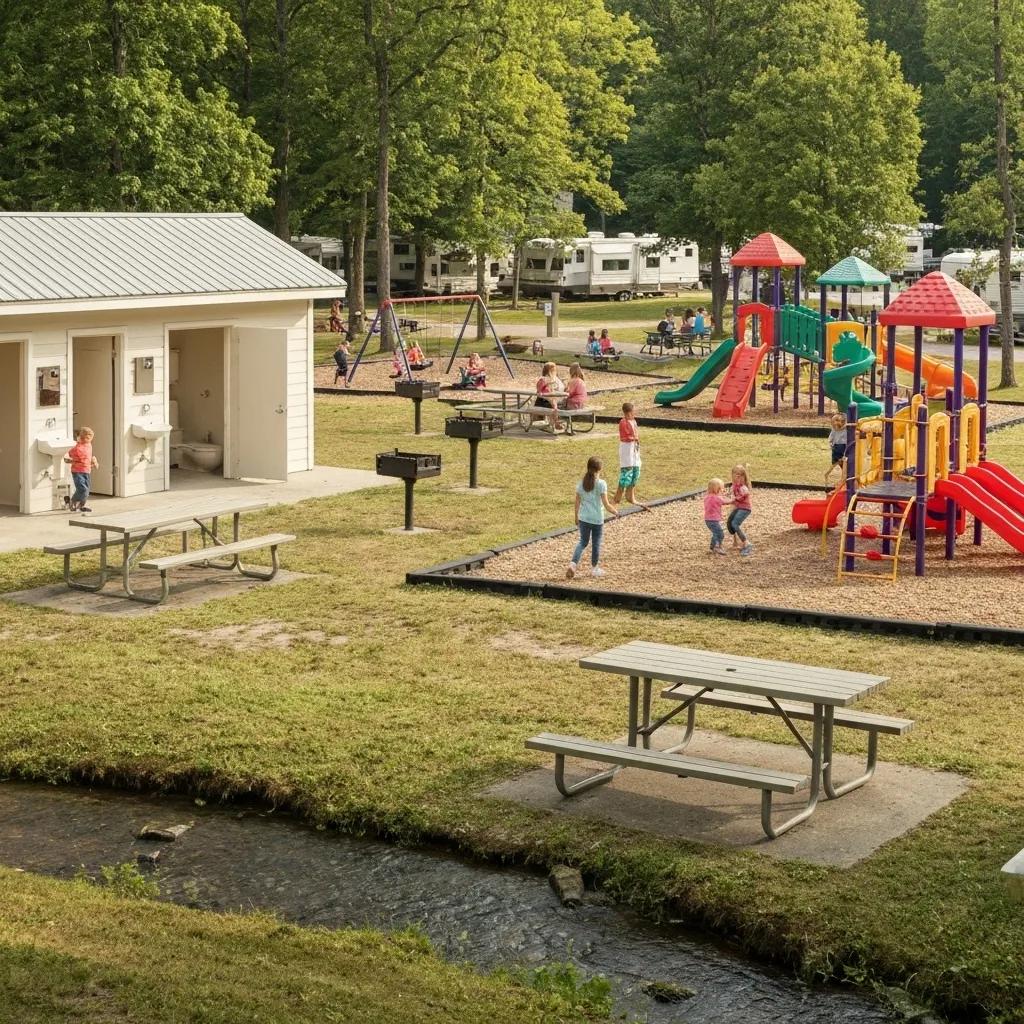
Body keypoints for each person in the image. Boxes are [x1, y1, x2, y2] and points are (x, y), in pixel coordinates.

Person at [567, 455, 619, 579]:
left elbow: (577, 502)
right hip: (597, 520)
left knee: (582, 542)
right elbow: (606, 504)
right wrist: (615, 512)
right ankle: (594, 569)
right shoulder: (601, 484)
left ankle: (573, 564)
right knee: (596, 543)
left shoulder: (581, 484)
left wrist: (576, 517)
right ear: (599, 469)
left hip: (583, 518)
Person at [613, 402, 648, 509]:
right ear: (626, 413)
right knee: (626, 473)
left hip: (634, 450)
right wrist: (634, 439)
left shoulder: (633, 421)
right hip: (627, 450)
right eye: (630, 413)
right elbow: (625, 437)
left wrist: (636, 441)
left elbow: (635, 434)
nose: (632, 415)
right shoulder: (623, 422)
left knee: (635, 471)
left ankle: (630, 496)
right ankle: (616, 499)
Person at [64, 426, 98, 513]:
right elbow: (67, 456)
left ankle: (81, 506)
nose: (88, 439)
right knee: (82, 489)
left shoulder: (89, 445)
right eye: (85, 438)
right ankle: (72, 501)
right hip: (77, 471)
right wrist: (68, 460)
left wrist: (94, 461)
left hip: (86, 470)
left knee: (86, 491)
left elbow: (89, 455)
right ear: (80, 437)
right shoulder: (75, 447)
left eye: (89, 438)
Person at [726, 464, 753, 556]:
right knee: (730, 524)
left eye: (740, 474)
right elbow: (730, 494)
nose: (738, 476)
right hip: (737, 506)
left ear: (743, 476)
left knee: (735, 524)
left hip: (744, 507)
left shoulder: (743, 487)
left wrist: (732, 499)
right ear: (732, 475)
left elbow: (742, 496)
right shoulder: (734, 486)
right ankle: (735, 541)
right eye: (736, 474)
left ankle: (746, 542)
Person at [535, 362, 563, 431]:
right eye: (554, 370)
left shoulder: (552, 380)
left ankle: (555, 422)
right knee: (553, 403)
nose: (555, 372)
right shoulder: (543, 379)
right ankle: (556, 422)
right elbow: (538, 391)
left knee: (554, 402)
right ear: (550, 371)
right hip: (542, 401)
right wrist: (543, 394)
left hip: (549, 400)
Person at [704, 478, 727, 555]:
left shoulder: (707, 497)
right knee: (719, 533)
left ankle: (714, 546)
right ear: (717, 489)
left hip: (708, 520)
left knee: (716, 533)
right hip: (713, 520)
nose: (722, 490)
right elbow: (725, 502)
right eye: (721, 488)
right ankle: (716, 547)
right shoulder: (717, 498)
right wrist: (734, 500)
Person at [826, 414, 847, 482]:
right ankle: (844, 473)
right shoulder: (834, 430)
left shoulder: (845, 429)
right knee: (836, 461)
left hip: (843, 446)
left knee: (842, 461)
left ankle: (845, 474)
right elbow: (831, 437)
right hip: (836, 447)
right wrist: (830, 442)